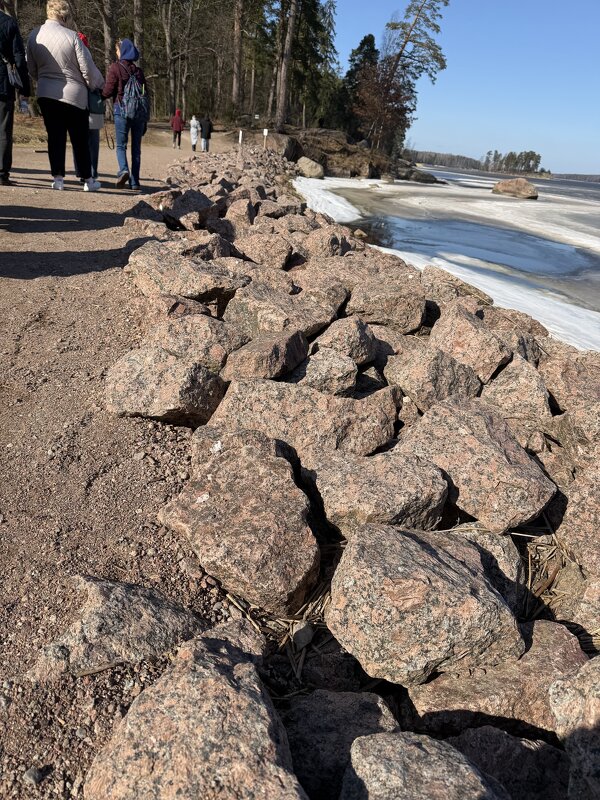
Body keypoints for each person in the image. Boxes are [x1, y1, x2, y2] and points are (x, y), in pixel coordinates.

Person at [27, 0, 103, 191]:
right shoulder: (73, 37)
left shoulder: (33, 36)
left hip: (46, 93)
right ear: (64, 15)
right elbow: (87, 69)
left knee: (55, 137)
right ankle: (88, 180)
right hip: (74, 94)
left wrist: (43, 79)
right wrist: (96, 84)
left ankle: (58, 179)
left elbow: (31, 69)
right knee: (79, 139)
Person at [102, 38, 148, 191]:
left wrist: (99, 96)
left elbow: (108, 90)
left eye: (117, 50)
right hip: (138, 115)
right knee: (136, 148)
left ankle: (123, 170)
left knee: (121, 145)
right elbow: (145, 95)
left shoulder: (115, 68)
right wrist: (145, 119)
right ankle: (135, 182)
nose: (116, 52)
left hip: (121, 111)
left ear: (122, 51)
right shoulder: (139, 72)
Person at [0, 0, 30, 186]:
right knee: (3, 129)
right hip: (3, 81)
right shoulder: (9, 23)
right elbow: (19, 58)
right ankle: (2, 172)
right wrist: (24, 87)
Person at [73, 32, 103, 181]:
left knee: (78, 139)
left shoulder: (70, 61)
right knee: (93, 141)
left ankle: (80, 171)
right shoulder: (90, 60)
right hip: (92, 106)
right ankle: (92, 171)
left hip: (76, 103)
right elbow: (99, 82)